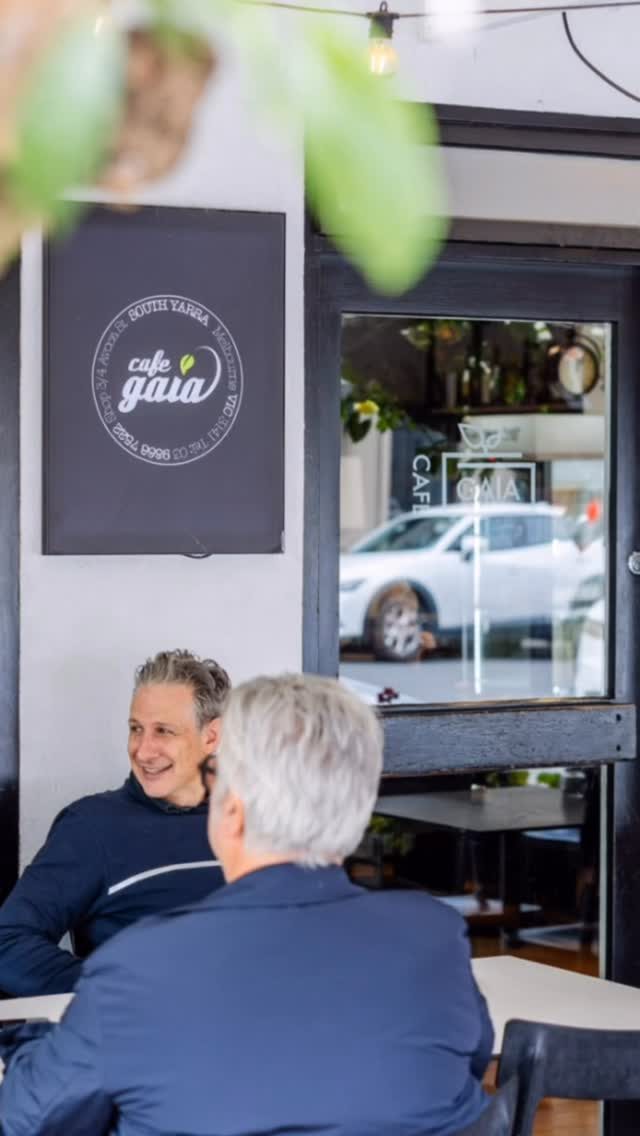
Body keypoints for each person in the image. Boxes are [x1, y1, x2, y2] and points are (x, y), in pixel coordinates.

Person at [0, 673, 493, 1136]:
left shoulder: (136, 970)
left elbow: (25, 1117)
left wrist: (38, 1043)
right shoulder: (434, 938)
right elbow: (463, 1067)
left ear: (231, 812)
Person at [0, 649, 230, 996]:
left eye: (163, 731)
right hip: (152, 1039)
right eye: (136, 729)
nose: (142, 750)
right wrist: (123, 991)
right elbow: (8, 943)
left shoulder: (261, 822)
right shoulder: (93, 827)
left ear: (211, 736)